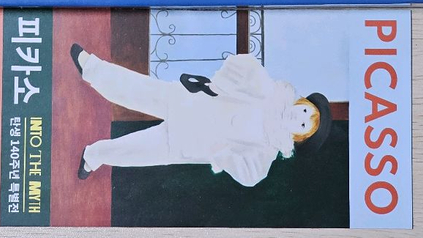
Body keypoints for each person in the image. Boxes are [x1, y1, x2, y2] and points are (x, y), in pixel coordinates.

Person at [70, 43, 331, 187]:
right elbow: (245, 66)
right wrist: (219, 85)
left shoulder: (267, 149)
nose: (298, 118)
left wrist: (222, 154)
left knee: (137, 151)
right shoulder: (269, 92)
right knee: (139, 89)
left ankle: (93, 156)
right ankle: (91, 67)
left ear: (298, 136)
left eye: (303, 125)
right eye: (304, 111)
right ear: (300, 102)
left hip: (189, 142)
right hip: (189, 104)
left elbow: (252, 175)